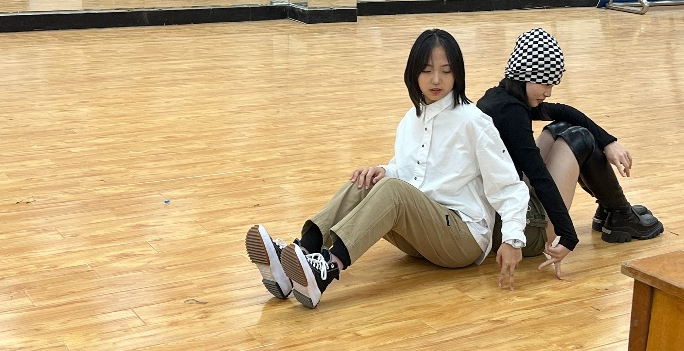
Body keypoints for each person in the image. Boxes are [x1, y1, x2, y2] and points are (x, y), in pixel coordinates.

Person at [246, 29, 531, 309]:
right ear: (413, 73)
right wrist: (385, 170)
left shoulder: (474, 122)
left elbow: (509, 186)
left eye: (446, 71)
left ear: (457, 73)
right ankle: (299, 254)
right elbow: (411, 174)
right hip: (422, 235)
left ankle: (327, 269)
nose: (436, 79)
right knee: (366, 179)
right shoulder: (411, 119)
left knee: (392, 190)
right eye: (427, 70)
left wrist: (513, 239)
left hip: (462, 238)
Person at [477, 28, 663, 280]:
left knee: (561, 128)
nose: (549, 92)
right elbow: (540, 177)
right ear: (524, 75)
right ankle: (619, 214)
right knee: (579, 138)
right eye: (545, 83)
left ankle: (613, 210)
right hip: (525, 230)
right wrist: (568, 236)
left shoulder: (497, 98)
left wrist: (608, 141)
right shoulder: (512, 114)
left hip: (503, 212)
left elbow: (564, 111)